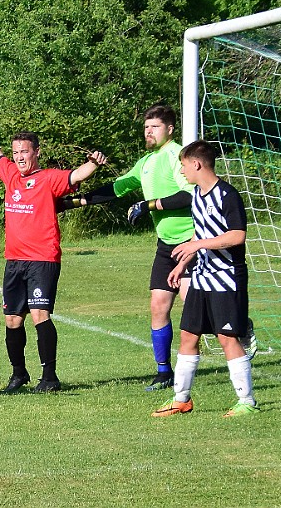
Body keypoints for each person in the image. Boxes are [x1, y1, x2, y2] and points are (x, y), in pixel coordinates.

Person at [0, 106, 106, 393]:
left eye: (24, 152)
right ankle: (18, 374)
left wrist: (94, 163)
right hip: (14, 260)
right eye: (15, 153)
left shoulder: (48, 178)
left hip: (42, 258)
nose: (19, 157)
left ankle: (49, 377)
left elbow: (77, 176)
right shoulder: (11, 175)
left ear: (36, 152)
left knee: (40, 315)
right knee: (12, 319)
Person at [62, 105, 194, 391]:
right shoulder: (146, 161)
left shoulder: (178, 156)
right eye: (146, 127)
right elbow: (116, 188)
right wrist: (70, 202)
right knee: (158, 306)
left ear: (170, 129)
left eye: (155, 127)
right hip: (165, 246)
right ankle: (164, 373)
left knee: (196, 309)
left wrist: (149, 205)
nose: (148, 131)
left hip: (191, 243)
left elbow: (188, 195)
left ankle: (240, 328)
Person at [152, 140, 257, 417]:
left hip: (226, 278)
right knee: (188, 335)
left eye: (184, 165)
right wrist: (182, 264)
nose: (183, 171)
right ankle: (181, 399)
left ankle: (247, 401)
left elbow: (237, 236)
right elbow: (200, 235)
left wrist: (197, 247)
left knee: (226, 338)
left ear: (197, 164)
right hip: (201, 276)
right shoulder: (197, 195)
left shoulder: (227, 195)